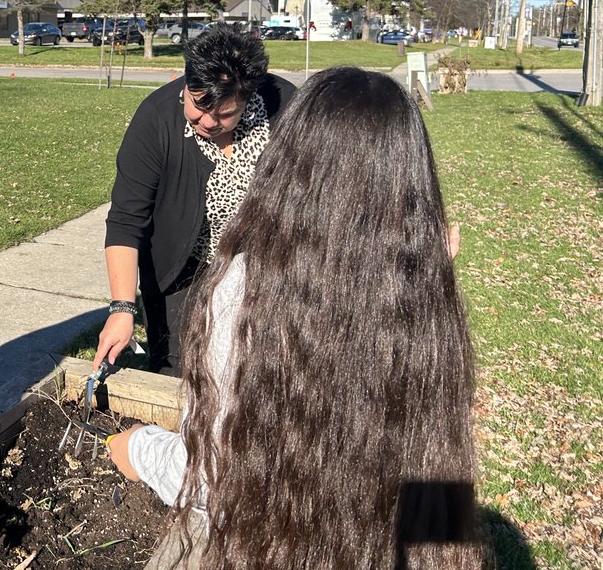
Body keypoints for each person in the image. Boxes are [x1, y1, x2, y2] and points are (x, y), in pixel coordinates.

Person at [107, 67, 478, 569]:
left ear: (293, 164)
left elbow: (214, 480)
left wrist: (140, 448)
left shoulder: (240, 291)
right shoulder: (421, 295)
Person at [95, 22, 295, 375]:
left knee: (259, 369)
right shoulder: (155, 119)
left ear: (248, 97)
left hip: (268, 269)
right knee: (182, 371)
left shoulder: (285, 107)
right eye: (198, 106)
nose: (207, 121)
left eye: (224, 114)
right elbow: (127, 220)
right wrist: (121, 309)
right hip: (186, 273)